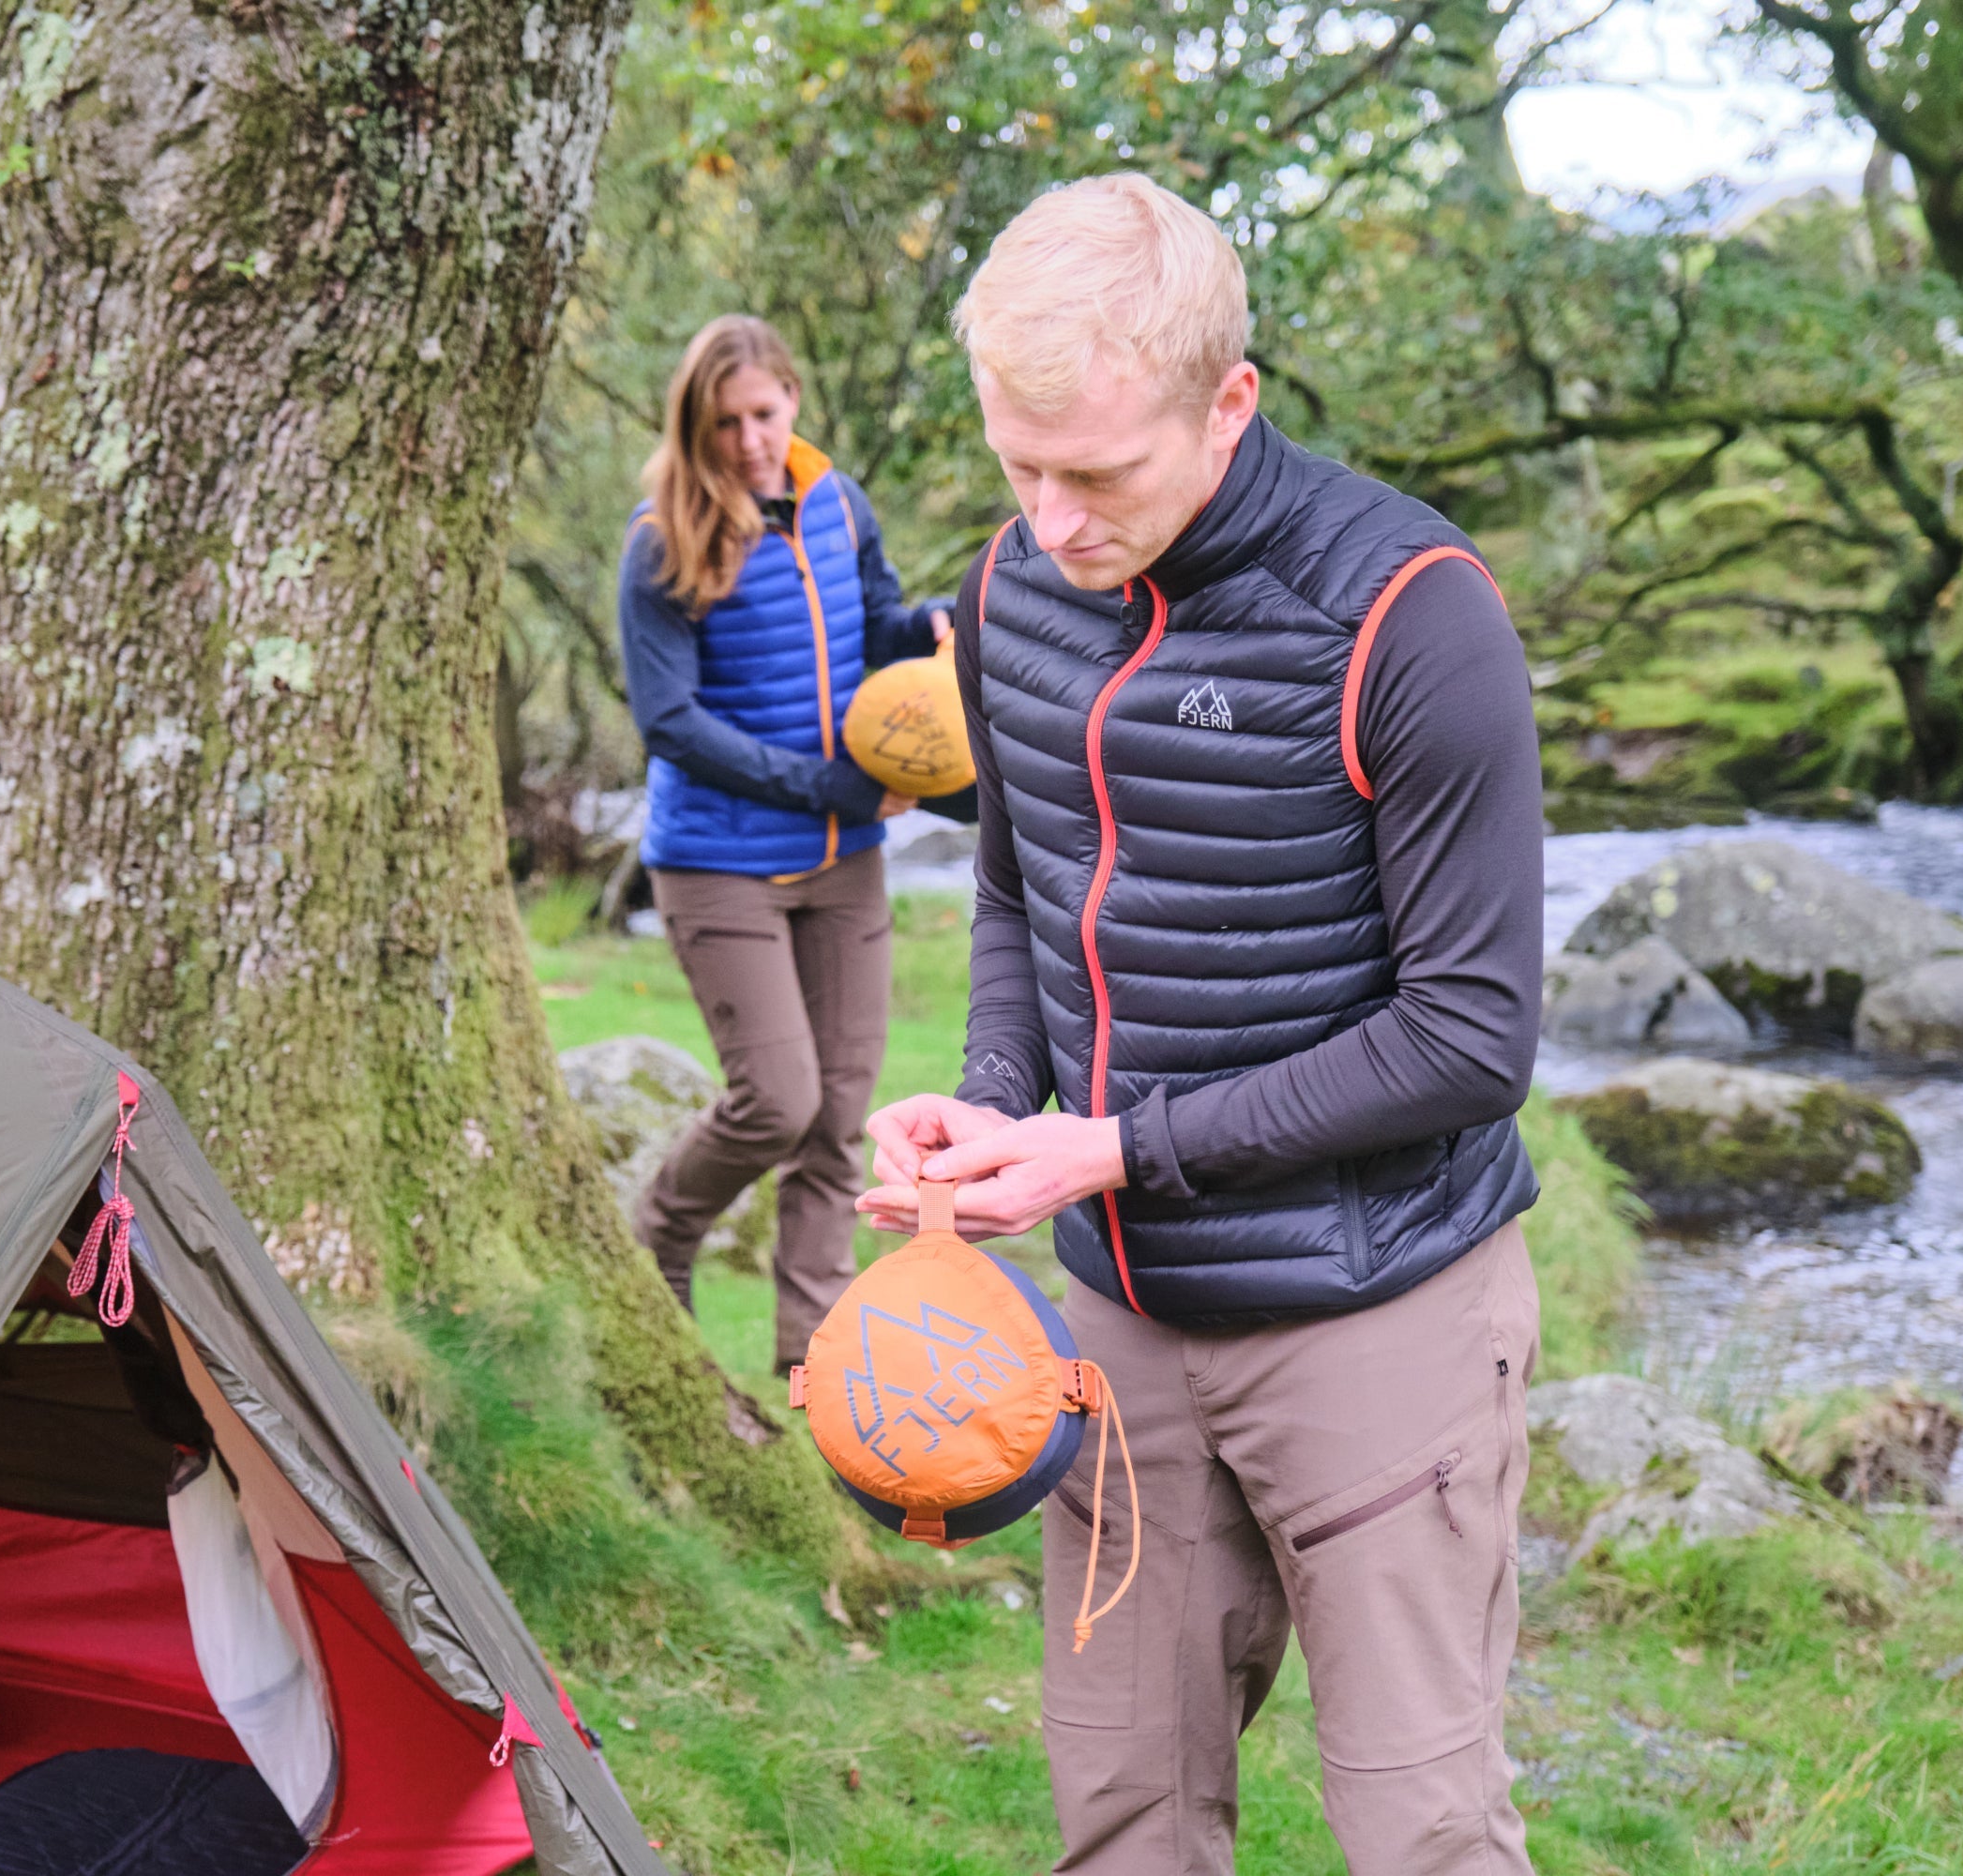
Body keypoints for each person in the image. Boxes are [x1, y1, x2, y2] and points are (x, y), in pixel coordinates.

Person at [858, 175, 1547, 1871]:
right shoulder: (1015, 587)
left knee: (1422, 1837)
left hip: (1376, 1315)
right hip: (1122, 1330)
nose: (1054, 519)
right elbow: (1020, 893)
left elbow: (1471, 1037)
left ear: (1228, 401)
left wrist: (1114, 1147)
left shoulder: (1412, 616)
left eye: (1097, 472)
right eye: (1020, 465)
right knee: (1126, 1820)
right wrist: (993, 1108)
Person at [618, 314, 955, 1375]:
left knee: (839, 1125)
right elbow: (669, 722)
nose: (750, 440)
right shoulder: (660, 540)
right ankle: (660, 1229)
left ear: (794, 401)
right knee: (779, 1099)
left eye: (764, 414)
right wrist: (825, 784)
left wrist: (931, 626)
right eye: (725, 423)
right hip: (719, 865)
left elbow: (875, 623)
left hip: (845, 861)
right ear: (696, 424)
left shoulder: (837, 504)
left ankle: (819, 1371)